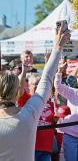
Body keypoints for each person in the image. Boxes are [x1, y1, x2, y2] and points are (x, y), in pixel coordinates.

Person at [0, 24, 69, 160]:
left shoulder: (29, 112)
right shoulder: (29, 113)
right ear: (18, 92)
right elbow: (47, 78)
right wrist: (57, 47)